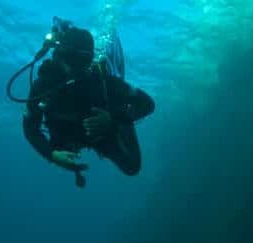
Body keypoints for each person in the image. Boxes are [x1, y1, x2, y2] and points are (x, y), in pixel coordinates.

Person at [20, 23, 155, 187]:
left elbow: (147, 104)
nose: (79, 68)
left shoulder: (102, 81)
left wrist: (114, 118)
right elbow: (30, 128)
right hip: (68, 135)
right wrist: (52, 155)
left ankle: (122, 120)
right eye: (74, 60)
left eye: (85, 60)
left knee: (132, 167)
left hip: (103, 131)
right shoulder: (43, 86)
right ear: (60, 55)